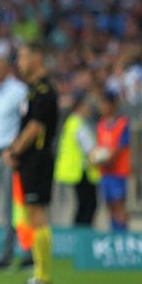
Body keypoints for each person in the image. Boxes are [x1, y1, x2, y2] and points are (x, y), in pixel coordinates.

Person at [4, 42, 59, 284]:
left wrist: (14, 150)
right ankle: (39, 272)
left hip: (38, 159)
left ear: (38, 58)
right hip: (29, 161)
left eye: (23, 56)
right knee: (32, 215)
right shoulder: (33, 90)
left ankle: (42, 275)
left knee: (38, 215)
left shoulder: (45, 91)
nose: (19, 62)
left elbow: (35, 127)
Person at [0, 56, 31, 268]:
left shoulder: (18, 91)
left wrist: (14, 150)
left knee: (13, 206)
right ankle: (18, 252)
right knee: (9, 206)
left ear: (6, 69)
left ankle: (16, 253)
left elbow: (25, 121)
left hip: (10, 154)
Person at [54, 96, 99, 227]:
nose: (89, 109)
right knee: (88, 205)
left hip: (73, 170)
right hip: (81, 170)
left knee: (82, 204)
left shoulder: (70, 123)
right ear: (79, 107)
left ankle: (79, 231)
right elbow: (89, 148)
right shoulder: (79, 124)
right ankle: (82, 234)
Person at [95, 92, 130, 231]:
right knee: (109, 206)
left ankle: (122, 235)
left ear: (112, 105)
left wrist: (107, 159)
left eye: (104, 104)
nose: (102, 107)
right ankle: (113, 233)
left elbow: (120, 147)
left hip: (118, 172)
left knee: (119, 205)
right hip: (105, 172)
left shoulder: (123, 124)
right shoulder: (101, 125)